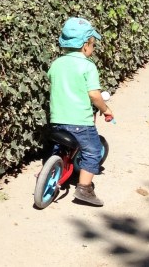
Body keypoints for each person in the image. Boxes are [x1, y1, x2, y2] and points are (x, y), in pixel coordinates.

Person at [48, 17, 114, 206]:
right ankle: (84, 189)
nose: (93, 48)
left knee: (58, 146)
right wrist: (106, 108)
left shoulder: (56, 64)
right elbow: (94, 95)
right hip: (80, 122)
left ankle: (51, 168)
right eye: (93, 44)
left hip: (57, 119)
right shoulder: (88, 66)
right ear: (85, 46)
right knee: (92, 151)